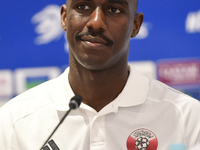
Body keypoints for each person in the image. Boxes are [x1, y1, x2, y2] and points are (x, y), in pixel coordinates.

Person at [0, 0, 200, 149]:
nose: (96, 23)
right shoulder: (14, 121)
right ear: (64, 17)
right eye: (83, 6)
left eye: (114, 9)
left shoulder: (188, 118)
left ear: (135, 25)